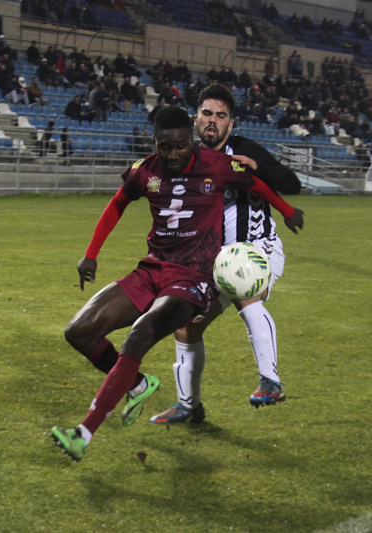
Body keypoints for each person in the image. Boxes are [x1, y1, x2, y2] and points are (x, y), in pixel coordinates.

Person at [50, 107, 297, 461]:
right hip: (151, 270)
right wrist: (91, 254)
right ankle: (137, 384)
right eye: (164, 147)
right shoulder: (144, 171)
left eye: (180, 146)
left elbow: (257, 183)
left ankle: (84, 432)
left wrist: (287, 212)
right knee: (78, 332)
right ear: (155, 143)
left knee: (139, 336)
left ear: (191, 141)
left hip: (193, 278)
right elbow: (117, 203)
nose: (173, 154)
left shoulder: (215, 165)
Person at [150, 84, 304, 425]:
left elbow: (291, 183)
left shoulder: (245, 149)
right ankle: (189, 406)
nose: (213, 121)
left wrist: (257, 166)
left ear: (230, 125)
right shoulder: (186, 156)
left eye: (221, 116)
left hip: (256, 247)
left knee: (241, 284)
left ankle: (271, 382)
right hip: (212, 258)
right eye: (207, 113)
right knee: (186, 327)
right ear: (196, 119)